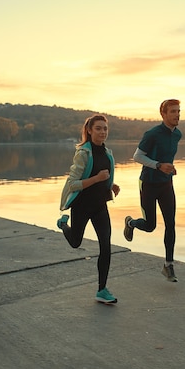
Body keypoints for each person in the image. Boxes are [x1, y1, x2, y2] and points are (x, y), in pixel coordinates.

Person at [57, 114, 120, 304]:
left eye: (105, 129)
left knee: (106, 246)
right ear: (90, 131)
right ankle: (63, 225)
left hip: (100, 205)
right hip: (82, 205)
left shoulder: (108, 153)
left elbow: (104, 178)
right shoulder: (83, 153)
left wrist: (111, 186)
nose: (102, 132)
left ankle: (102, 290)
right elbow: (73, 184)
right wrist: (97, 179)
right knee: (76, 242)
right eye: (98, 128)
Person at [124, 99, 181, 282]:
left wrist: (170, 168)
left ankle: (168, 265)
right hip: (148, 184)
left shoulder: (177, 134)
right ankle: (131, 223)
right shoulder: (152, 134)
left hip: (166, 184)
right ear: (163, 114)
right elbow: (137, 156)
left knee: (170, 224)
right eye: (173, 111)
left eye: (178, 111)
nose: (177, 115)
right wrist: (158, 165)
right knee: (150, 226)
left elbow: (166, 158)